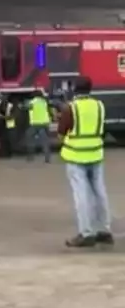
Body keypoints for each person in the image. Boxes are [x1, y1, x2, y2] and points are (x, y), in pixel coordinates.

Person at [58, 76, 113, 248]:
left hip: (76, 156)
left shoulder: (70, 108)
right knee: (99, 192)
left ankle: (86, 233)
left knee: (81, 195)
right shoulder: (99, 106)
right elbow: (102, 129)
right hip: (96, 154)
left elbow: (61, 132)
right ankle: (104, 230)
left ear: (74, 89)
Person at [26, 90, 52, 162]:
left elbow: (25, 107)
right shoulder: (44, 102)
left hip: (35, 124)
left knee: (29, 138)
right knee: (45, 141)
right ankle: (47, 158)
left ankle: (30, 156)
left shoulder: (32, 102)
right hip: (45, 123)